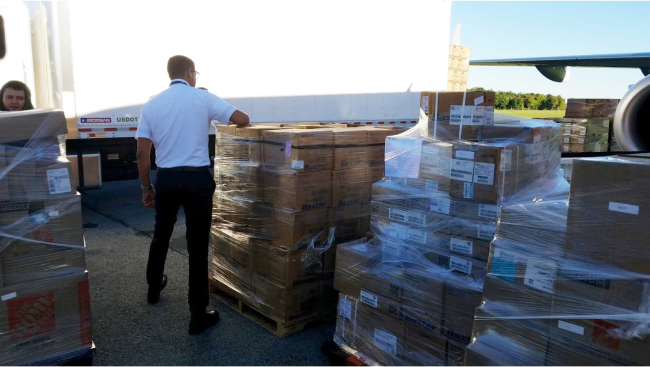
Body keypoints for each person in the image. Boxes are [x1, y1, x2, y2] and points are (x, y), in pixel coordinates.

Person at [135, 55, 250, 335]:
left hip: (167, 178)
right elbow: (243, 119)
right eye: (195, 72)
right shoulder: (203, 99)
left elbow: (142, 153)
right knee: (197, 247)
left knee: (161, 233)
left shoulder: (152, 104)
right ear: (189, 72)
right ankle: (198, 314)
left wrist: (146, 188)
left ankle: (153, 287)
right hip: (197, 178)